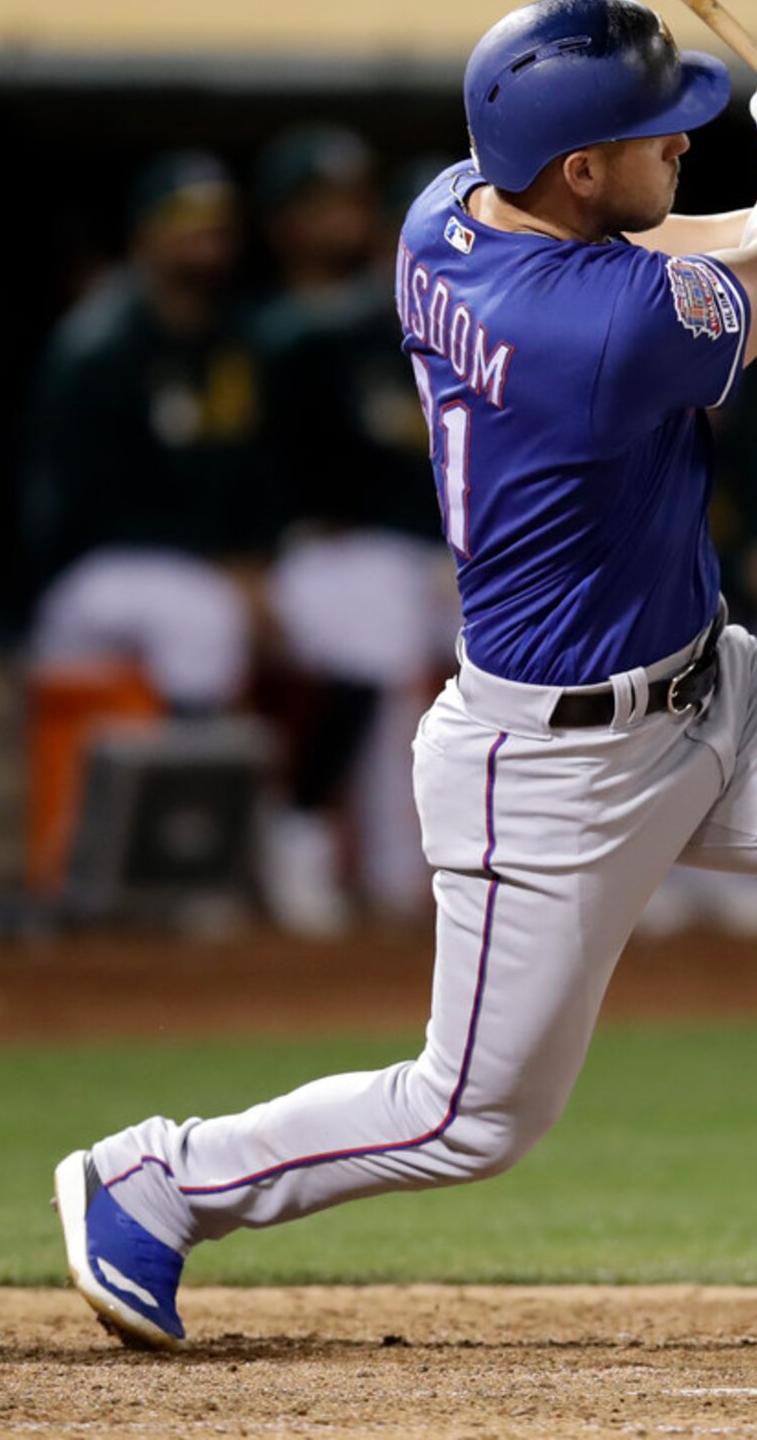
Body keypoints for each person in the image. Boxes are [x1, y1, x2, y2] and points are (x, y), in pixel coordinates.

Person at [53, 0, 757, 1361]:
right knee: (471, 1118)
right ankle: (160, 1177)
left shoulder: (451, 211)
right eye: (660, 133)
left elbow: (687, 245)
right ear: (578, 166)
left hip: (715, 689)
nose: (685, 146)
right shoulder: (592, 341)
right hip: (553, 766)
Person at [251, 124, 452, 932]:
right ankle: (311, 832)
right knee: (379, 635)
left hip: (436, 558)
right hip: (325, 553)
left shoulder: (461, 332)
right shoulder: (304, 335)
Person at [24, 150, 270, 713]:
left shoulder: (233, 338)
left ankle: (295, 800)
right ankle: (196, 792)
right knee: (199, 617)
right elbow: (91, 502)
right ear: (146, 232)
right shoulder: (97, 347)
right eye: (185, 215)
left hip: (205, 565)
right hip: (97, 570)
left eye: (218, 217)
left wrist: (256, 557)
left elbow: (249, 472)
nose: (206, 230)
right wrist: (218, 561)